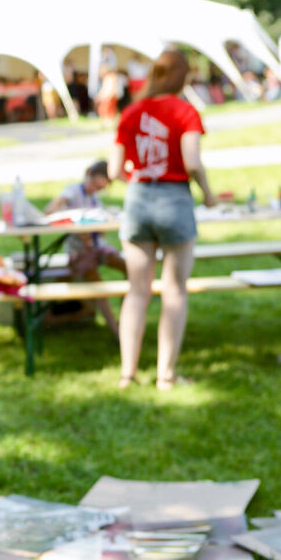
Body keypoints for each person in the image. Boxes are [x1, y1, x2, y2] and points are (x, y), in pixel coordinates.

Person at [108, 49, 215, 391]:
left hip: (138, 197)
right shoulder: (185, 111)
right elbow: (193, 161)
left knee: (136, 291)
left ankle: (128, 374)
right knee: (174, 292)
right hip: (174, 197)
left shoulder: (131, 111)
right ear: (182, 76)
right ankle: (165, 375)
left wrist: (140, 183)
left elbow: (113, 170)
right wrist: (209, 195)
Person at [44, 160, 127, 336]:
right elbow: (50, 210)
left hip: (97, 247)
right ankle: (117, 331)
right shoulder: (72, 191)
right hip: (79, 252)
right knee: (99, 287)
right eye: (95, 185)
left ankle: (127, 319)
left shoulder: (95, 200)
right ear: (89, 174)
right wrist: (72, 222)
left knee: (129, 268)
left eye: (100, 188)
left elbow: (102, 232)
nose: (96, 189)